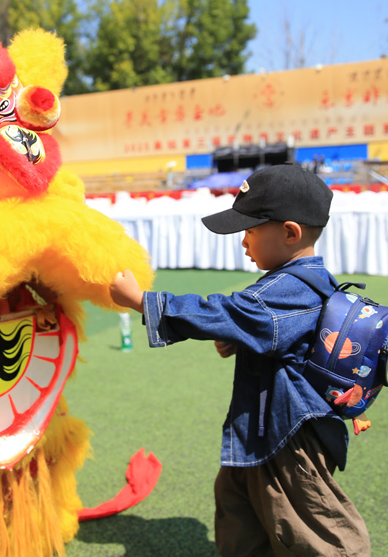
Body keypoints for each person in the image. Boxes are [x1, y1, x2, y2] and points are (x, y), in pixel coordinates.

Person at [110, 163, 370, 557]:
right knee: (238, 505)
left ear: (289, 232)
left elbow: (228, 313)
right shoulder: (305, 282)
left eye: (250, 229)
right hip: (266, 429)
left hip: (288, 436)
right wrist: (243, 341)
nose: (244, 241)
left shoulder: (287, 289)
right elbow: (274, 332)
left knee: (312, 530)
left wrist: (142, 302)